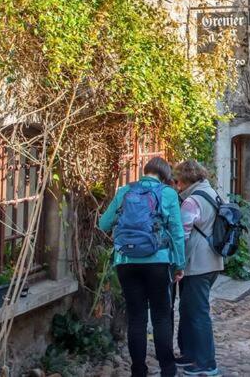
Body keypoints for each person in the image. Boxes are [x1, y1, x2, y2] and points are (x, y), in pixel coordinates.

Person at [98, 158, 185, 377]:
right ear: (164, 175)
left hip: (126, 261)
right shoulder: (167, 193)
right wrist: (179, 264)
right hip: (158, 261)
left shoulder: (125, 191)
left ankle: (139, 371)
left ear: (144, 171)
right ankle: (167, 369)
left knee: (136, 317)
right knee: (161, 316)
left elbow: (103, 224)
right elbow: (176, 232)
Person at [173, 160, 225, 377]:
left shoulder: (192, 201)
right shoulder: (212, 193)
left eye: (177, 181)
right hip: (212, 260)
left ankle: (206, 363)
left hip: (197, 263)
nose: (176, 185)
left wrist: (177, 264)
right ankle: (190, 354)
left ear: (185, 180)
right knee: (189, 309)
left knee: (198, 313)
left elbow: (181, 236)